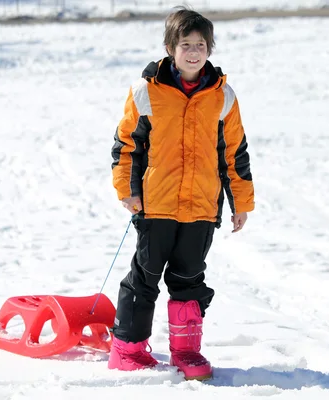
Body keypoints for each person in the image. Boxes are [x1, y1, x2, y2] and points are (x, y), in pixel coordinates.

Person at [108, 7, 255, 380]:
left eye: (201, 45)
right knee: (145, 275)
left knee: (189, 278)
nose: (193, 52)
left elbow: (234, 154)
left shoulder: (223, 98)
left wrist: (242, 203)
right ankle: (128, 348)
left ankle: (187, 351)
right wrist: (128, 191)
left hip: (202, 207)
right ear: (171, 47)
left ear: (210, 49)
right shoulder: (146, 92)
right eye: (185, 44)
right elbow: (127, 146)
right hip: (155, 203)